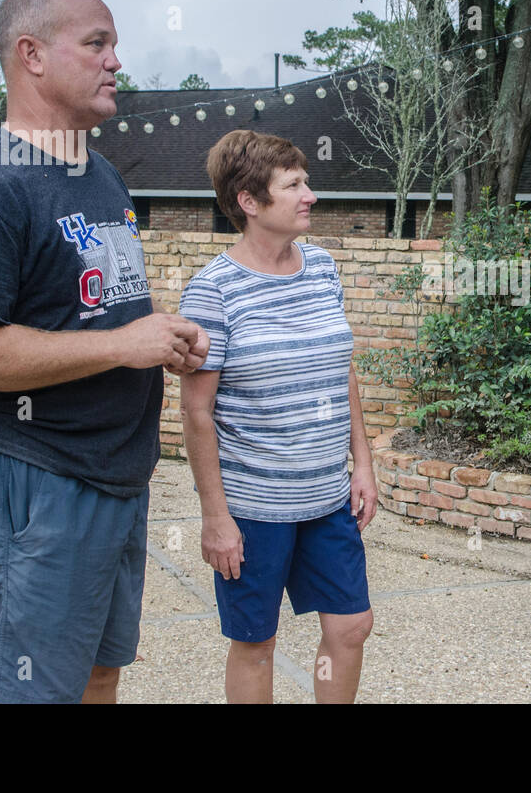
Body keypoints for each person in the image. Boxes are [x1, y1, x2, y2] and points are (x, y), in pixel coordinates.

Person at [0, 0, 209, 703]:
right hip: (35, 474)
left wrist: (160, 339)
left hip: (116, 474)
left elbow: (91, 313)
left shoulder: (101, 173)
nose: (117, 61)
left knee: (100, 673)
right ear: (33, 55)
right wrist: (121, 347)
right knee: (31, 691)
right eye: (97, 43)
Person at [178, 129, 376, 704]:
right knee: (256, 643)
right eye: (293, 185)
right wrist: (216, 518)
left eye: (305, 181)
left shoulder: (322, 269)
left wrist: (361, 466)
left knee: (351, 625)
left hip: (326, 497)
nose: (309, 194)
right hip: (254, 507)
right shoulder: (213, 291)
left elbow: (343, 371)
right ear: (249, 201)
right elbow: (197, 412)